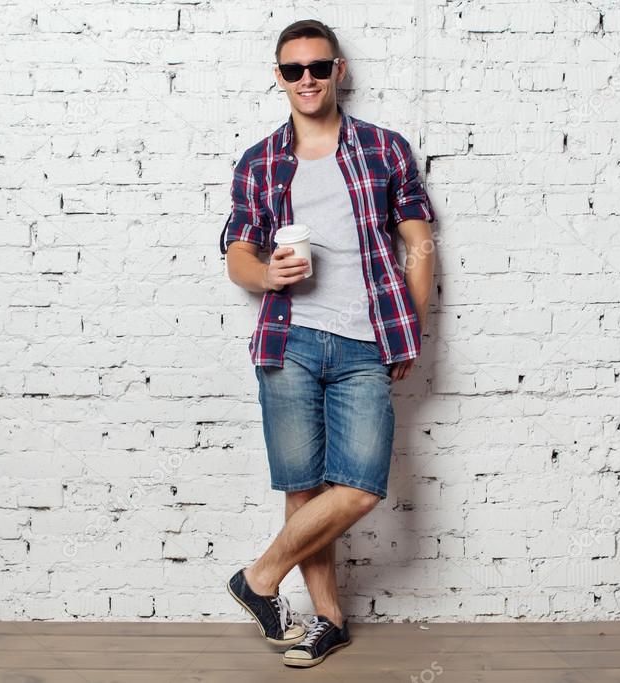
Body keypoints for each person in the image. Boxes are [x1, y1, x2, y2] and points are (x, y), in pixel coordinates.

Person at [219, 18, 437, 668]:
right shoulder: (259, 161)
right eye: (293, 70)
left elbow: (418, 243)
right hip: (288, 342)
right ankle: (328, 621)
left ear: (338, 71)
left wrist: (411, 328)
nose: (307, 79)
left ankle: (257, 578)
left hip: (365, 339)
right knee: (303, 486)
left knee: (360, 485)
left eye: (318, 67)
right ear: (279, 77)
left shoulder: (383, 148)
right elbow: (236, 255)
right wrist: (266, 273)